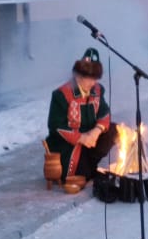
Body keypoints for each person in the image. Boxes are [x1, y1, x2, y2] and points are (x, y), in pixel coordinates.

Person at [45, 47, 117, 181]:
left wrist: (96, 131)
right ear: (77, 76)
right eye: (89, 78)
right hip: (70, 145)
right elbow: (55, 126)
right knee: (82, 177)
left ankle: (91, 164)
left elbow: (104, 113)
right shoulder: (61, 94)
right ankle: (86, 169)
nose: (93, 83)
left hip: (90, 139)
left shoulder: (97, 90)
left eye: (95, 78)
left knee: (114, 130)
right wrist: (81, 138)